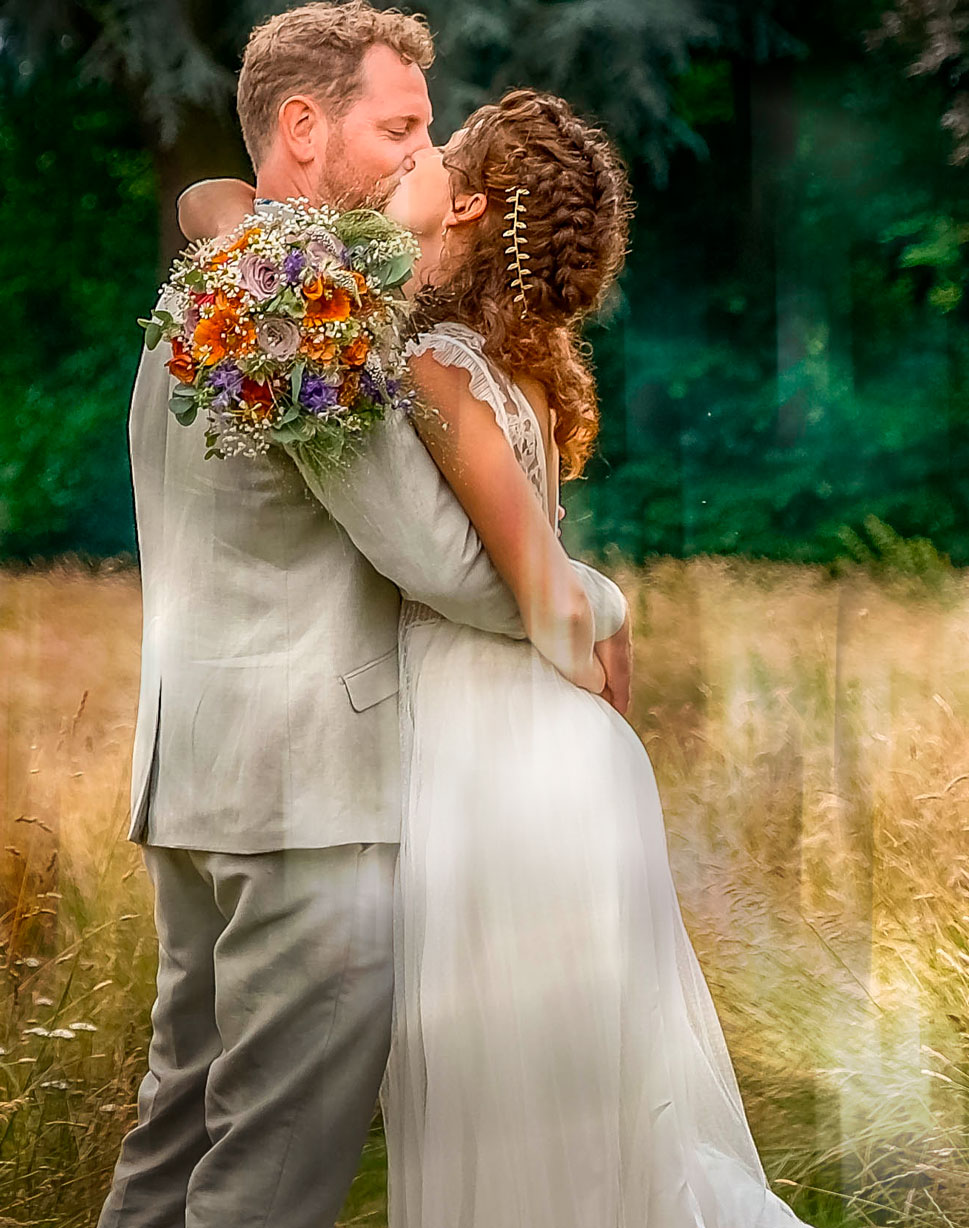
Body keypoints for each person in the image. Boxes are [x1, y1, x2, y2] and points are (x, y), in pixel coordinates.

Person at [185, 83, 809, 1226]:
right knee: (581, 1111)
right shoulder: (497, 357)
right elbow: (212, 202)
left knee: (520, 1113)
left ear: (467, 206)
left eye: (437, 146)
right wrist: (609, 642)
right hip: (539, 748)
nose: (414, 153)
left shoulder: (438, 369)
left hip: (505, 762)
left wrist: (598, 626)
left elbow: (537, 596)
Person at [99, 0, 629, 1228]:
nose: (422, 162)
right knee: (268, 1180)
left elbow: (214, 209)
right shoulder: (304, 314)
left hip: (197, 776)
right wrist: (597, 596)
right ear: (303, 126)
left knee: (176, 1128)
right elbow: (433, 556)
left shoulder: (218, 286)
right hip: (304, 804)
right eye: (400, 128)